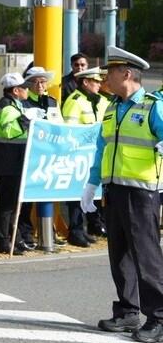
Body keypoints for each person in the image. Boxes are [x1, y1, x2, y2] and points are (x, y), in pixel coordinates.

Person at [83, 47, 163, 343]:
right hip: (114, 190)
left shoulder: (152, 106)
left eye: (110, 73)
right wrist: (92, 184)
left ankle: (159, 317)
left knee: (147, 257)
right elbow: (102, 149)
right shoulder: (112, 108)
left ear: (126, 74)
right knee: (119, 254)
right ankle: (128, 311)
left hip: (142, 193)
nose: (105, 79)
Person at [62, 65, 109, 243]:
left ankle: (87, 227)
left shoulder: (95, 100)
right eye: (96, 81)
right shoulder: (75, 101)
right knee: (76, 195)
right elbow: (70, 130)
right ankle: (75, 231)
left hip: (93, 155)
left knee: (89, 193)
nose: (99, 84)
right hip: (77, 156)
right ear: (86, 82)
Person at [0, 72, 32, 254]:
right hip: (8, 163)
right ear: (16, 90)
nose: (27, 91)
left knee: (12, 204)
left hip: (11, 161)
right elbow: (9, 131)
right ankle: (3, 241)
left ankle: (14, 238)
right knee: (7, 204)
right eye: (25, 88)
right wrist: (28, 121)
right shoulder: (6, 107)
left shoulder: (13, 104)